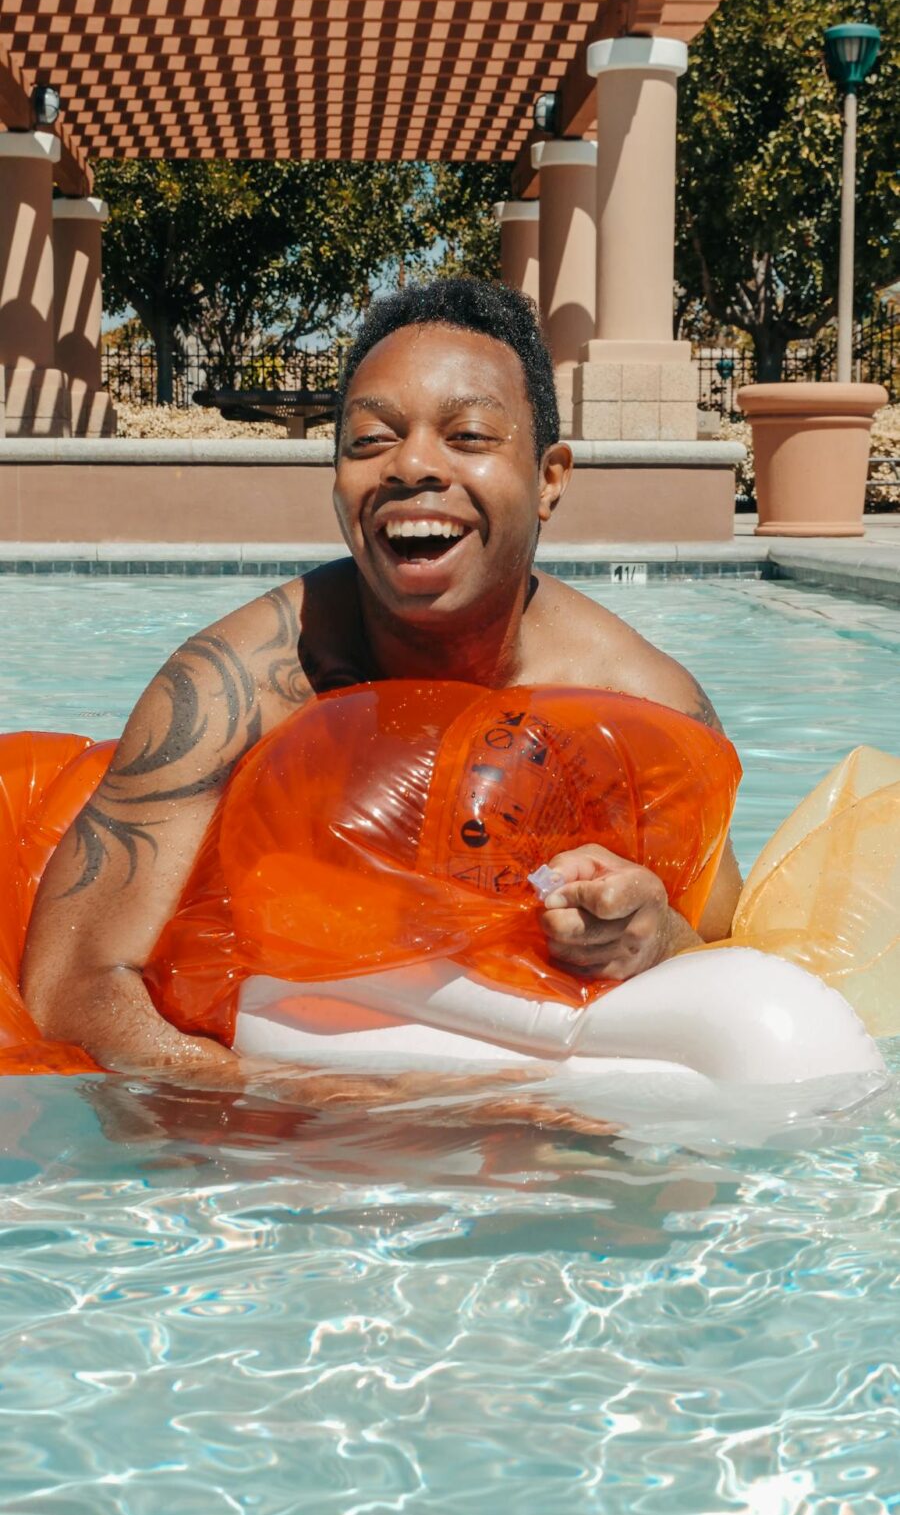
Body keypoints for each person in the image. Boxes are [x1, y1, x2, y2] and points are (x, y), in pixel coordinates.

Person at [22, 279, 741, 1107]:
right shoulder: (233, 691)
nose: (412, 466)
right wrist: (297, 1103)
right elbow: (72, 984)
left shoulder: (644, 707)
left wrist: (660, 935)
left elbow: (738, 966)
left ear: (549, 478)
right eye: (371, 439)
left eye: (468, 434)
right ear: (336, 480)